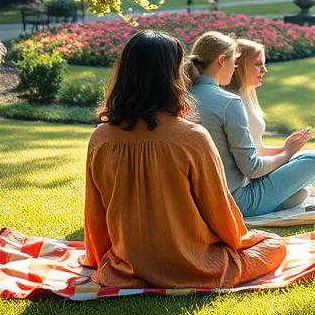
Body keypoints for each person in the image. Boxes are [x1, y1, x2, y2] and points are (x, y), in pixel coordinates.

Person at [82, 30, 288, 288]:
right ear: (174, 76)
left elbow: (95, 214)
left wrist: (97, 259)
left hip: (128, 266)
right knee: (275, 245)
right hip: (198, 267)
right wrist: (247, 241)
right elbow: (222, 216)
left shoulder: (100, 137)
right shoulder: (193, 136)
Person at [188, 31, 315, 217]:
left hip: (192, 202)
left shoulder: (180, 98)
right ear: (221, 61)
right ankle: (277, 201)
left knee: (298, 190)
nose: (235, 67)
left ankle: (280, 199)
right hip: (234, 203)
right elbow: (252, 169)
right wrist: (287, 153)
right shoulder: (229, 102)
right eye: (234, 61)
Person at [227, 38, 315, 196]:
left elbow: (255, 149)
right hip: (248, 182)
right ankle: (314, 185)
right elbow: (250, 163)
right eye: (258, 64)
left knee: (303, 165)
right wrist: (286, 153)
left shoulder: (247, 95)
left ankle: (313, 184)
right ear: (240, 65)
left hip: (256, 171)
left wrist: (287, 149)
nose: (264, 70)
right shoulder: (234, 102)